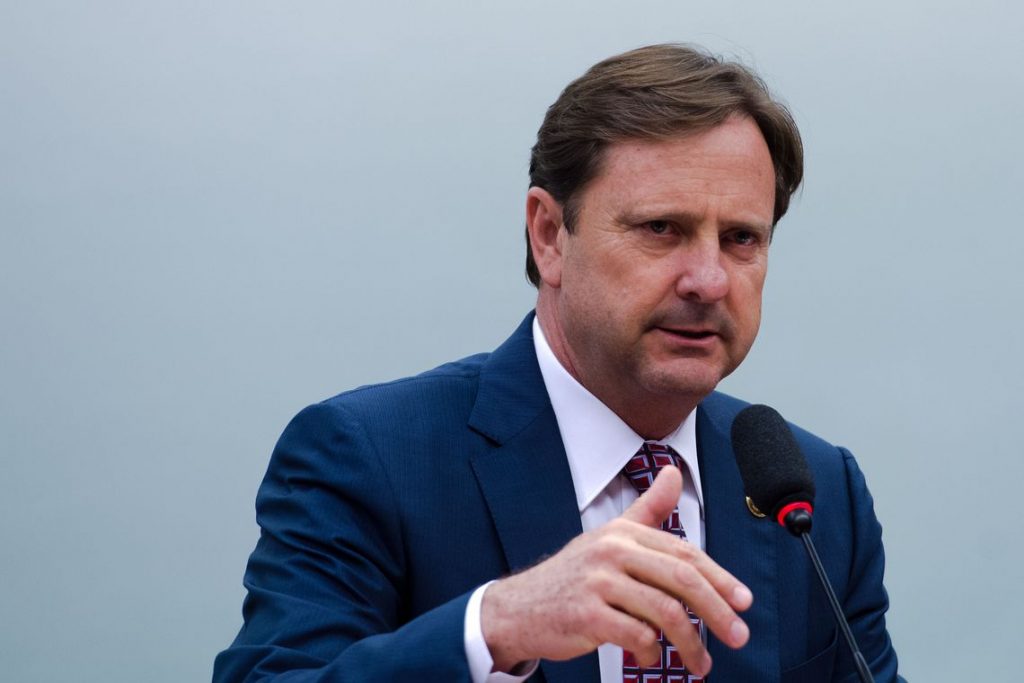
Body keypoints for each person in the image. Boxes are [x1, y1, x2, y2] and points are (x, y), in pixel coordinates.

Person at [214, 43, 903, 682]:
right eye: (661, 229)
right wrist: (498, 626)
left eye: (741, 238)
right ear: (549, 236)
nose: (709, 280)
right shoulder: (369, 457)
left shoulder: (818, 496)